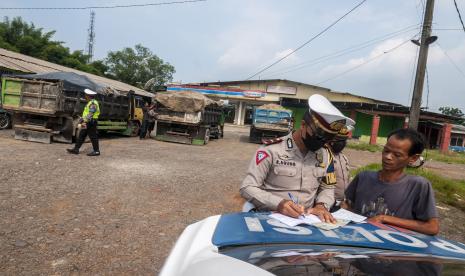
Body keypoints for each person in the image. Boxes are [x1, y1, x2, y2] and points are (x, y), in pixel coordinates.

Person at [240, 94, 355, 222]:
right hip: (270, 217)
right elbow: (248, 187)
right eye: (318, 136)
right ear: (303, 125)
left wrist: (322, 205)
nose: (322, 142)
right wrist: (279, 203)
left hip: (307, 220)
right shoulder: (271, 150)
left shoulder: (325, 155)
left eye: (328, 139)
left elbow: (328, 187)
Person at [343, 128, 439, 235]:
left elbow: (432, 227)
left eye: (397, 155)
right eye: (386, 150)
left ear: (413, 158)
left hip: (391, 246)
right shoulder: (363, 177)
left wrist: (384, 218)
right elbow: (346, 206)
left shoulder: (418, 186)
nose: (388, 157)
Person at [67, 88, 101, 156]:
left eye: (86, 95)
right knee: (81, 135)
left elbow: (91, 114)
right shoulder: (90, 102)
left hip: (91, 122)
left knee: (93, 136)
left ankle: (96, 151)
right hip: (88, 122)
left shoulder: (93, 103)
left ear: (88, 95)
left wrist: (84, 121)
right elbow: (87, 113)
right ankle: (76, 149)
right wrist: (82, 120)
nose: (85, 96)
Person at [327, 127, 351, 210]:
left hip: (342, 203)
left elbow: (347, 179)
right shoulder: (325, 157)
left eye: (343, 141)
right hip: (328, 203)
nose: (342, 143)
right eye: (339, 141)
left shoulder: (344, 158)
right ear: (331, 141)